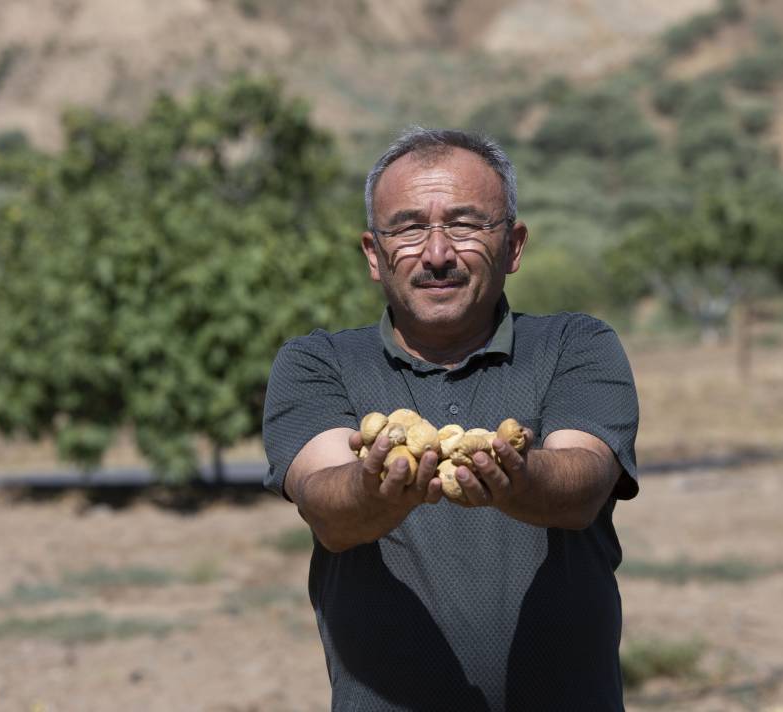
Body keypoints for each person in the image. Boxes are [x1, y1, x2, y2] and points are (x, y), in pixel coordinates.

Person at [262, 127, 639, 711]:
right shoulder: (318, 363)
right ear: (373, 254)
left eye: (465, 225)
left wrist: (513, 477)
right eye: (409, 228)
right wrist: (377, 487)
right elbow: (326, 506)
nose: (437, 254)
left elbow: (582, 484)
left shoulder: (576, 346)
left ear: (513, 246)